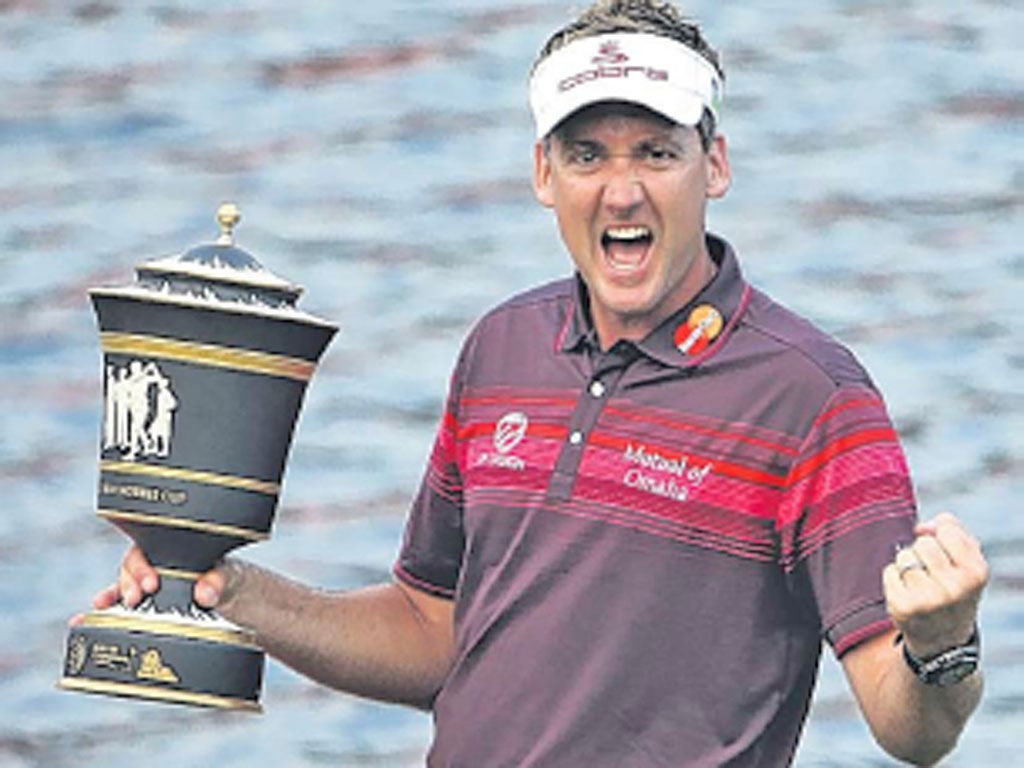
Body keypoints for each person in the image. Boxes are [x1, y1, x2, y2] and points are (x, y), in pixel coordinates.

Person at [90, 1, 989, 765]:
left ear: (714, 165)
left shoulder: (815, 398)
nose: (622, 189)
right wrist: (235, 591)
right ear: (543, 174)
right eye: (588, 154)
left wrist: (943, 646)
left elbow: (909, 727)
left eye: (656, 152)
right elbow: (434, 630)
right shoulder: (501, 350)